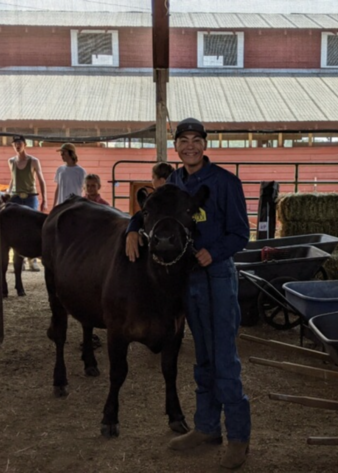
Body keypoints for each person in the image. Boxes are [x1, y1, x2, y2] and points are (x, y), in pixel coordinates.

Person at [124, 118, 251, 470]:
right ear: (176, 147)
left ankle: (238, 437)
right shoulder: (174, 182)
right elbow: (149, 213)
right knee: (202, 357)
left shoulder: (225, 183)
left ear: (205, 145)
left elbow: (242, 234)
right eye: (184, 141)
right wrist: (132, 229)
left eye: (197, 140)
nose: (190, 146)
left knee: (224, 356)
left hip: (218, 277)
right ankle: (207, 428)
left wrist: (216, 251)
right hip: (188, 279)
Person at [7, 135, 48, 271]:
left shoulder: (34, 161)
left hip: (30, 196)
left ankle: (33, 259)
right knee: (15, 229)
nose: (17, 145)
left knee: (32, 228)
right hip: (16, 197)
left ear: (25, 144)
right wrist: (8, 193)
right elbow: (12, 179)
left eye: (19, 143)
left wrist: (44, 199)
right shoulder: (11, 161)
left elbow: (41, 180)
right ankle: (19, 260)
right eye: (15, 143)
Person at [52, 143, 87, 209]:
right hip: (62, 204)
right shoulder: (60, 169)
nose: (61, 155)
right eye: (61, 153)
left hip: (75, 205)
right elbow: (58, 188)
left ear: (71, 153)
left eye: (63, 153)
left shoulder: (80, 171)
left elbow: (84, 189)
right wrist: (54, 205)